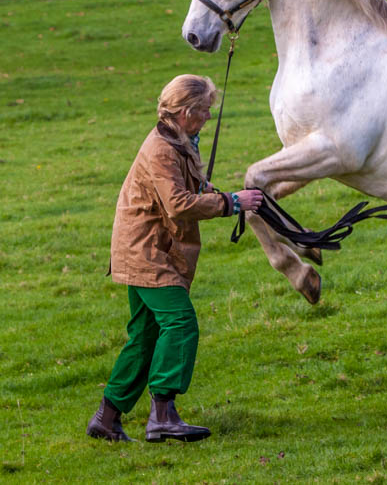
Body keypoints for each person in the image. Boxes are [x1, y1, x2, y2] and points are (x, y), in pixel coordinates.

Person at [87, 74, 263, 443]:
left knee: (145, 337)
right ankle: (163, 415)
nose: (207, 118)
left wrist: (229, 195)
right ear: (185, 112)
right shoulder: (162, 149)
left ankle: (107, 418)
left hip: (147, 250)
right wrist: (231, 204)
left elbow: (190, 186)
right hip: (147, 253)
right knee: (180, 324)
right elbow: (178, 204)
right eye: (204, 112)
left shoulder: (179, 139)